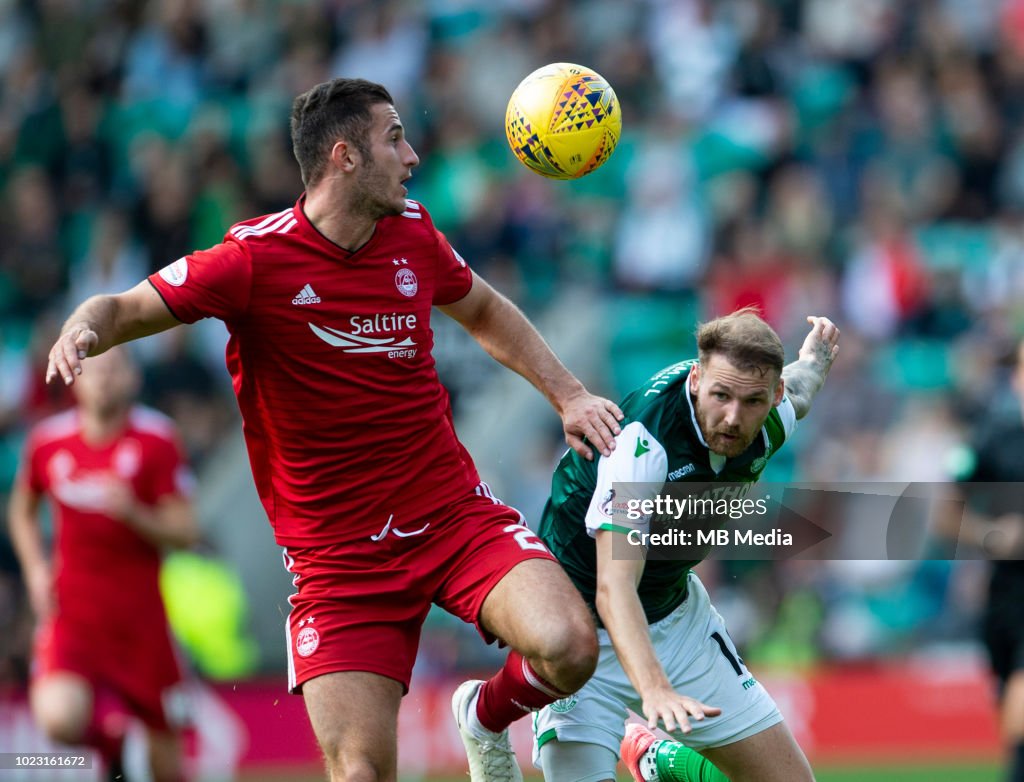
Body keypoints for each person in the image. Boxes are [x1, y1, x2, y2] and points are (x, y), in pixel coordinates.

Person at [45, 77, 625, 782]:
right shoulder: (250, 261)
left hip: (450, 518)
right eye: (395, 138)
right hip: (337, 563)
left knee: (569, 644)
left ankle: (485, 716)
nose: (412, 158)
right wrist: (82, 328)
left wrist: (567, 395)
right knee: (359, 772)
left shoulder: (413, 234)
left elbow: (485, 312)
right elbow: (125, 308)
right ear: (345, 156)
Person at [533, 309, 839, 782]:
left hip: (677, 622)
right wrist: (653, 688)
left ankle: (655, 757)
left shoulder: (775, 416)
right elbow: (614, 589)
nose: (734, 418)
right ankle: (639, 742)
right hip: (576, 634)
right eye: (721, 395)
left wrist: (815, 357)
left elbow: (802, 385)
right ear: (695, 380)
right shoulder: (642, 447)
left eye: (753, 400)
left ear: (773, 396)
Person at [9, 347, 199, 782]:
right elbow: (21, 509)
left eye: (116, 370)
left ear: (133, 378)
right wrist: (36, 568)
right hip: (73, 614)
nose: (105, 380)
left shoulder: (157, 439)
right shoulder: (47, 441)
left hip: (142, 623)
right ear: (76, 379)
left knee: (167, 766)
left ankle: (128, 749)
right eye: (95, 371)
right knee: (58, 718)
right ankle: (112, 748)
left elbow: (186, 530)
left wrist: (135, 513)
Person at [945, 338, 1024, 782]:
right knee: (1010, 712)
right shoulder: (994, 439)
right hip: (1007, 596)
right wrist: (991, 534)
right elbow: (947, 514)